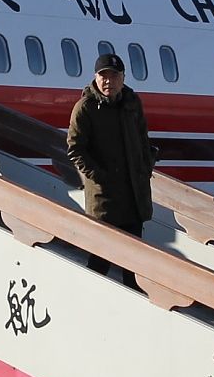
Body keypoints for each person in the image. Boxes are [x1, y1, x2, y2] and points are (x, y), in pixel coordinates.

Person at [66, 50, 156, 259]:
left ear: (123, 78)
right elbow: (75, 149)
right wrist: (101, 177)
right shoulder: (85, 108)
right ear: (95, 78)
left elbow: (143, 139)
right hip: (105, 200)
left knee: (133, 261)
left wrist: (145, 166)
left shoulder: (132, 104)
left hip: (134, 196)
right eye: (103, 76)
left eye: (114, 76)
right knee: (101, 260)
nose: (108, 81)